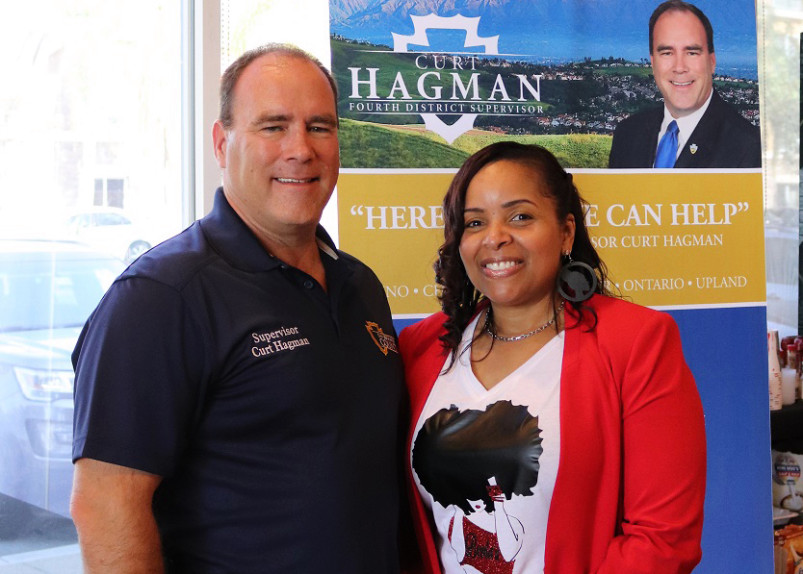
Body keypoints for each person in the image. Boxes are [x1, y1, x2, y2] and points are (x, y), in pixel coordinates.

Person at [70, 43, 407, 573]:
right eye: (273, 126)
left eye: (319, 126)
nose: (301, 149)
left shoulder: (360, 283)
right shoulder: (161, 296)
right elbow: (106, 503)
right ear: (222, 143)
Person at [400, 141, 706, 573]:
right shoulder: (421, 347)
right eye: (474, 222)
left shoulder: (636, 343)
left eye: (520, 216)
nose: (495, 237)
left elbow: (662, 539)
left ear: (566, 232)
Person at [608, 0, 761, 169]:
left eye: (691, 53)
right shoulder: (627, 134)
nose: (679, 67)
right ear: (653, 63)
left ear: (712, 61)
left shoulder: (749, 146)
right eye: (667, 53)